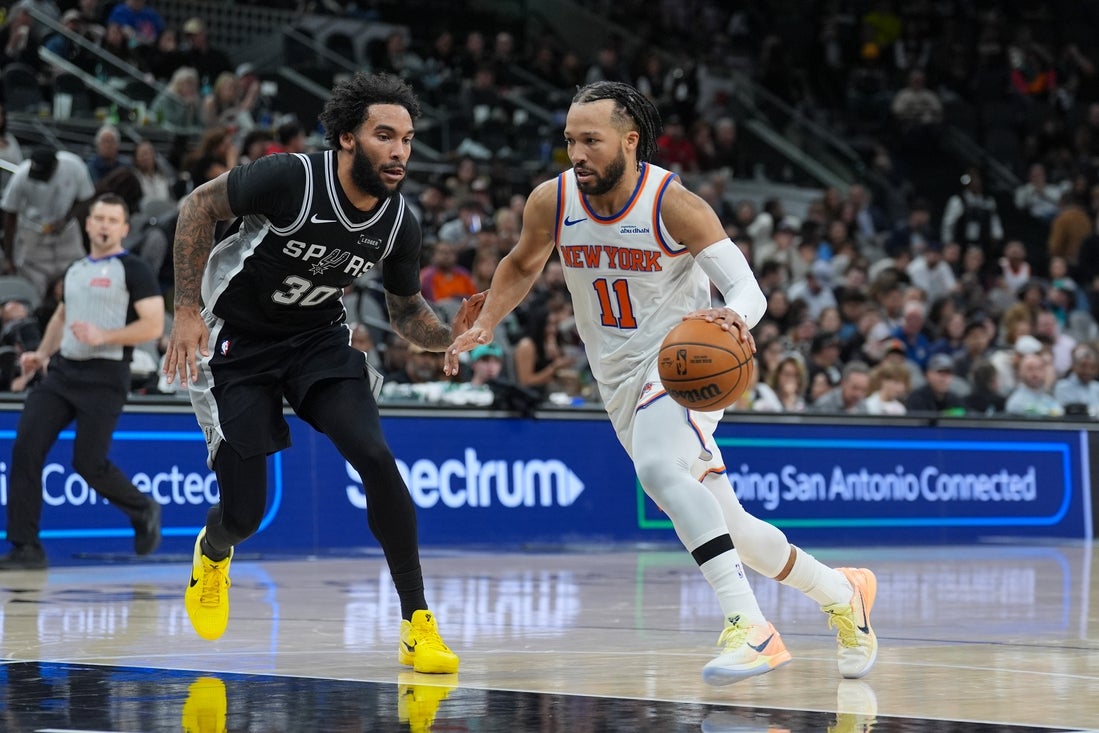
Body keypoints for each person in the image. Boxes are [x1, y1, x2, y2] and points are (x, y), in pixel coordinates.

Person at [444, 81, 877, 685]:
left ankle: (751, 627)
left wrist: (733, 316)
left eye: (591, 140)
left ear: (630, 140)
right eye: (570, 140)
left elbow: (748, 290)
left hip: (684, 364)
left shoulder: (672, 204)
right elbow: (521, 263)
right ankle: (842, 593)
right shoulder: (552, 200)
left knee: (656, 467)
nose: (577, 153)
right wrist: (486, 321)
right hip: (616, 376)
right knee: (735, 529)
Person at [161, 72, 479, 675]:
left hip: (316, 341)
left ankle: (417, 622)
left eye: (407, 139)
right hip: (236, 342)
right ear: (347, 138)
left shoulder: (398, 222)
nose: (400, 152)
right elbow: (199, 205)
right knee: (245, 515)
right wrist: (183, 310)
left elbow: (405, 311)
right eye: (385, 136)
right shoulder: (291, 179)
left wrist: (448, 337)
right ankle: (214, 551)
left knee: (375, 456)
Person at [0, 194, 165, 570]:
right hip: (62, 374)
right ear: (88, 225)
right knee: (26, 449)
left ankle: (142, 509)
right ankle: (26, 548)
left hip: (106, 377)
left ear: (124, 228)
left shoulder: (133, 269)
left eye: (113, 220)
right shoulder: (75, 269)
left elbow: (153, 325)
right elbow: (62, 317)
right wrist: (41, 354)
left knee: (88, 463)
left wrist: (104, 336)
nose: (105, 225)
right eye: (99, 218)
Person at [1, 146, 96, 295]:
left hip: (66, 231)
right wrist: (9, 256)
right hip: (33, 232)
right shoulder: (21, 175)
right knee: (33, 281)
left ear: (55, 166)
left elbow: (86, 198)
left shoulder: (74, 166)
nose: (39, 178)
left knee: (77, 276)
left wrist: (67, 218)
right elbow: (10, 214)